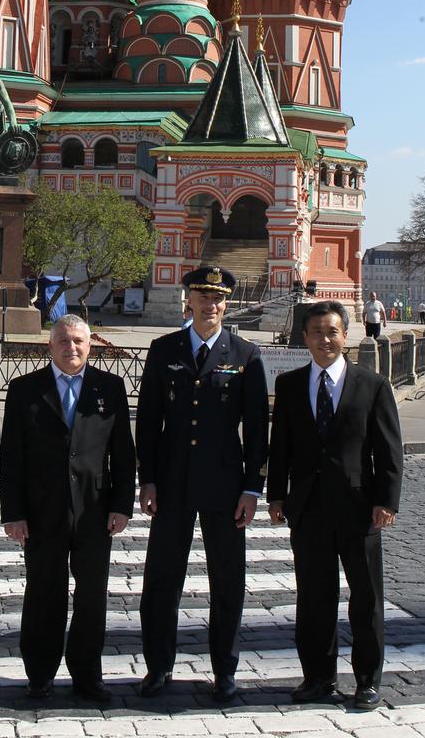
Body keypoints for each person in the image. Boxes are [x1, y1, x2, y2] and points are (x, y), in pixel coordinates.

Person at [136, 265, 269, 704]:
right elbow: (149, 420)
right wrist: (148, 478)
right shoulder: (163, 349)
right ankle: (159, 667)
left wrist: (252, 488)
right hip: (172, 483)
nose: (210, 306)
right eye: (202, 297)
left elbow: (257, 429)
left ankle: (224, 671)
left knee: (227, 581)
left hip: (224, 485)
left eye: (217, 299)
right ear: (187, 300)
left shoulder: (246, 355)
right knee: (161, 579)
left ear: (226, 304)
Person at [267, 300, 403, 712]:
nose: (325, 340)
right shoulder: (290, 384)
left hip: (358, 506)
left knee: (365, 597)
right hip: (307, 506)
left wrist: (386, 500)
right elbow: (282, 446)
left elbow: (389, 450)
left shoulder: (372, 385)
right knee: (313, 597)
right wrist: (276, 495)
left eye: (332, 332)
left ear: (346, 335)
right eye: (316, 333)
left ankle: (367, 681)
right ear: (304, 337)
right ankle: (318, 677)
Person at [0, 313, 136, 703]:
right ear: (50, 346)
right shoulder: (25, 389)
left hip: (95, 510)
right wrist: (14, 512)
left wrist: (122, 504)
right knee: (44, 593)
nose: (71, 347)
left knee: (92, 596)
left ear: (90, 345)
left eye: (78, 341)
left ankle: (87, 673)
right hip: (42, 512)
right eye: (63, 341)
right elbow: (11, 456)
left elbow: (123, 453)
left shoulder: (110, 387)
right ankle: (39, 673)